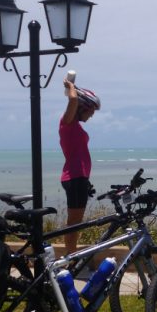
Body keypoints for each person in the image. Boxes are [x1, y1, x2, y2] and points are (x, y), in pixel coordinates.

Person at [59, 77, 100, 254]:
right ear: (82, 107)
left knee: (76, 223)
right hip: (74, 177)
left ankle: (71, 256)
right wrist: (71, 87)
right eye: (91, 110)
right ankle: (69, 259)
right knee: (73, 225)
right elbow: (73, 100)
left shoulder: (73, 126)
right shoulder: (67, 124)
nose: (92, 115)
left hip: (79, 178)